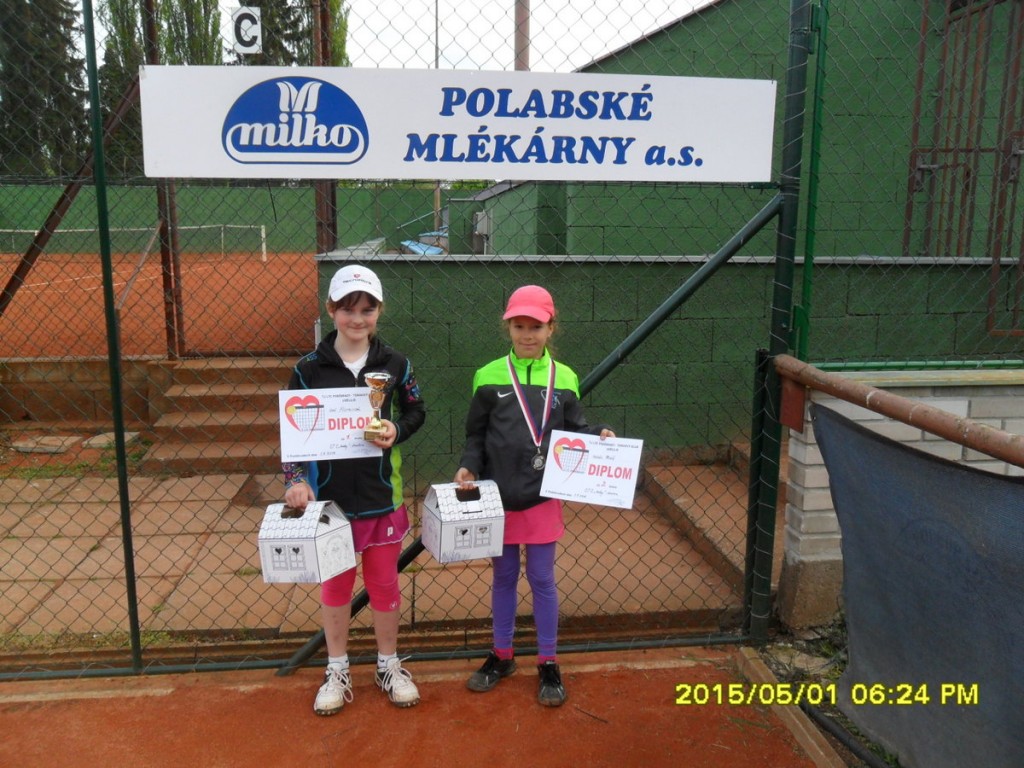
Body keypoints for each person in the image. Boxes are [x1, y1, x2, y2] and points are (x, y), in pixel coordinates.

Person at [454, 284, 615, 707]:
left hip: (543, 496)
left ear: (550, 329)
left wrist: (597, 434)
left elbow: (574, 429)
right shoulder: (488, 375)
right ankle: (502, 654)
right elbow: (476, 435)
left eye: (536, 327)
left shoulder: (566, 378)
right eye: (519, 326)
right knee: (504, 576)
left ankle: (547, 661)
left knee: (542, 578)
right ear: (508, 327)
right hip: (499, 496)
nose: (527, 335)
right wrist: (469, 466)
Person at [282, 264, 426, 716]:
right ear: (331, 310)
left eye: (367, 309)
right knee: (337, 588)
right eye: (347, 309)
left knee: (384, 585)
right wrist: (295, 480)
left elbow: (417, 410)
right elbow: (292, 433)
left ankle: (388, 664)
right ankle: (337, 667)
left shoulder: (396, 364)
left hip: (381, 499)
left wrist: (396, 431)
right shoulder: (307, 369)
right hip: (332, 505)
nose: (357, 319)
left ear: (379, 311)